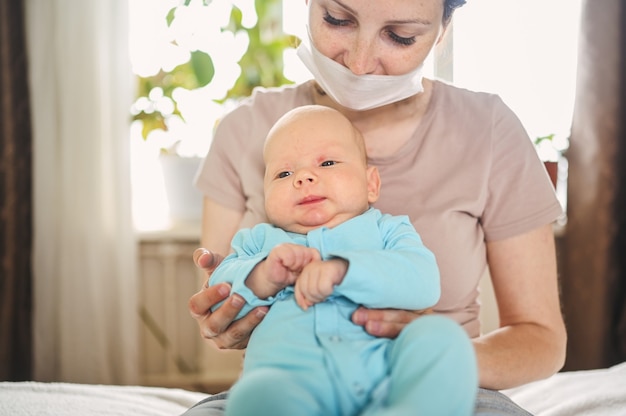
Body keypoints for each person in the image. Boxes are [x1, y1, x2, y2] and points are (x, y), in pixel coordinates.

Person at [186, 0, 567, 414]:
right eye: (337, 19)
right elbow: (221, 296)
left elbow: (540, 337)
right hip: (290, 387)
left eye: (400, 35)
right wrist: (239, 296)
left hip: (428, 386)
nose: (360, 63)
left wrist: (438, 362)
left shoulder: (485, 131)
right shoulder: (246, 130)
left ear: (443, 29)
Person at [200, 105, 477, 416]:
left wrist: (345, 271)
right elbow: (217, 298)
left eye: (327, 162)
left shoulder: (386, 230)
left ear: (371, 184)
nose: (303, 177)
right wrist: (261, 277)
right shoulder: (258, 242)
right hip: (292, 389)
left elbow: (423, 281)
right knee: (254, 394)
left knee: (443, 338)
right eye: (284, 173)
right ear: (265, 194)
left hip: (388, 382)